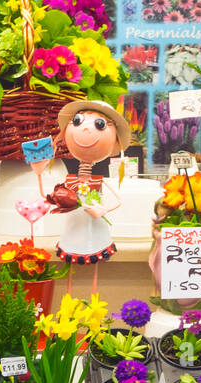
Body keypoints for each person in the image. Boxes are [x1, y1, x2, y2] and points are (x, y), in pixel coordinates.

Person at [46, 100, 131, 293]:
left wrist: (103, 209)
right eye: (77, 121)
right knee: (69, 277)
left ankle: (93, 309)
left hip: (95, 232)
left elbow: (118, 200)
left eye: (99, 124)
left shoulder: (99, 181)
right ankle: (68, 305)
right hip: (72, 231)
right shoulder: (69, 181)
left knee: (95, 278)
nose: (85, 129)